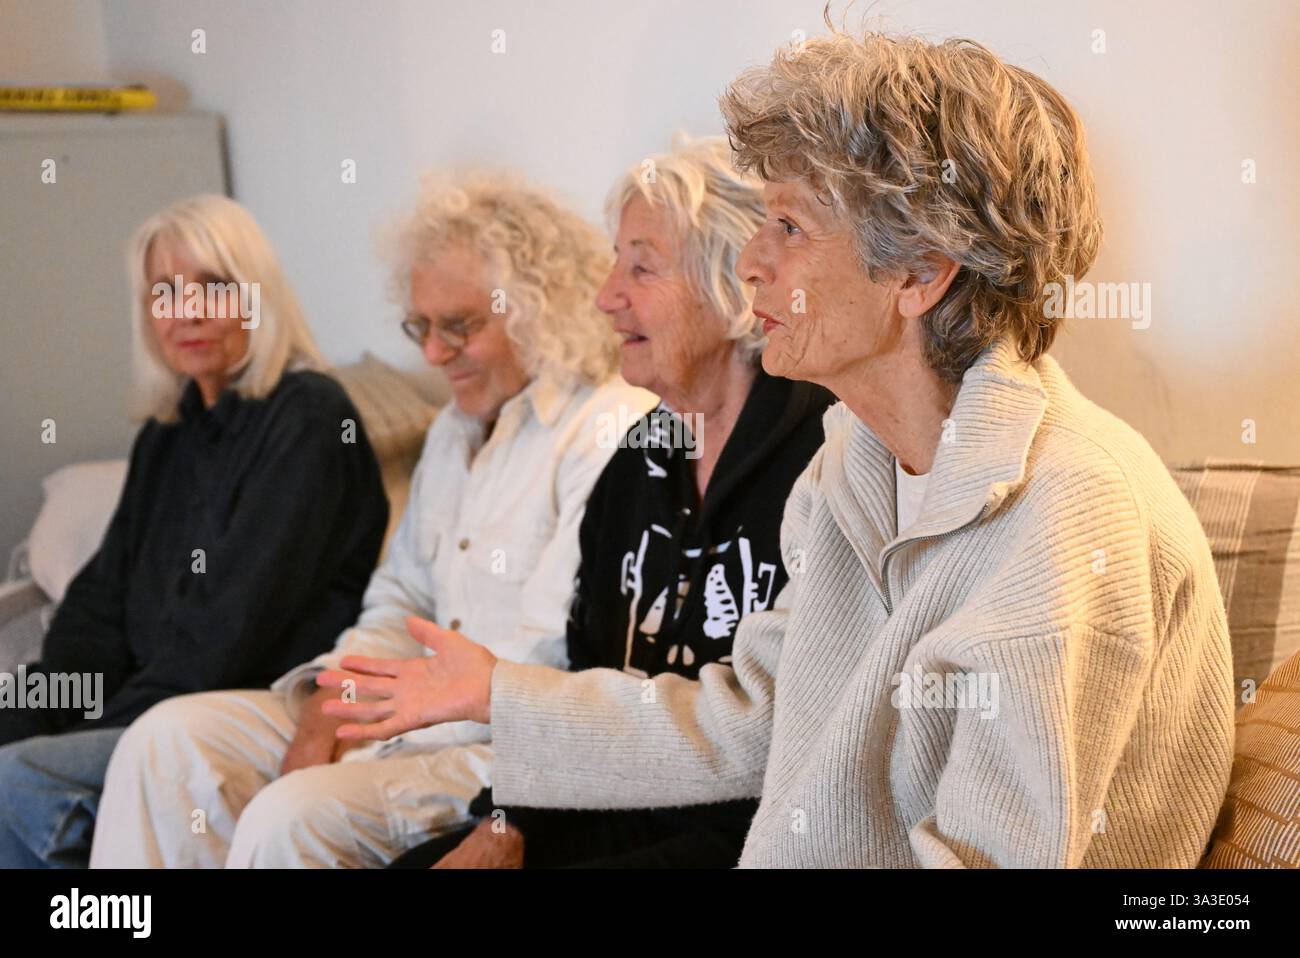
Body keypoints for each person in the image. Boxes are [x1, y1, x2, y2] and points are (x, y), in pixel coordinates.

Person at [320, 32, 1236, 868]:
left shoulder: (1068, 519)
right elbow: (753, 715)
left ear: (920, 273)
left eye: (790, 228)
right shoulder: (858, 462)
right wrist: (503, 698)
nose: (751, 262)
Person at [89, 173, 655, 868]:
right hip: (392, 711)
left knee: (291, 816)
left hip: (487, 745)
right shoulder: (454, 428)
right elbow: (401, 597)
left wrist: (389, 718)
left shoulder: (604, 433)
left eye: (459, 326)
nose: (433, 354)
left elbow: (550, 655)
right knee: (166, 737)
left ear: (539, 311)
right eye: (421, 326)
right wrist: (337, 696)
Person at [388, 137, 834, 868]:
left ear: (732, 288)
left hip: (748, 832)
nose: (606, 295)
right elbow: (582, 671)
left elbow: (783, 742)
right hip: (614, 804)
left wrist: (496, 691)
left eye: (642, 266)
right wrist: (506, 823)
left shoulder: (820, 458)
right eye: (614, 260)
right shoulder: (635, 458)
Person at [0, 194, 388, 868]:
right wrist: (45, 703)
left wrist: (94, 729)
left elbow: (228, 633)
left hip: (239, 708)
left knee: (19, 778)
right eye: (164, 292)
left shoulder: (309, 419)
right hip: (147, 703)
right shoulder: (168, 432)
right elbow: (100, 604)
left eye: (212, 286)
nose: (187, 312)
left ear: (254, 296)